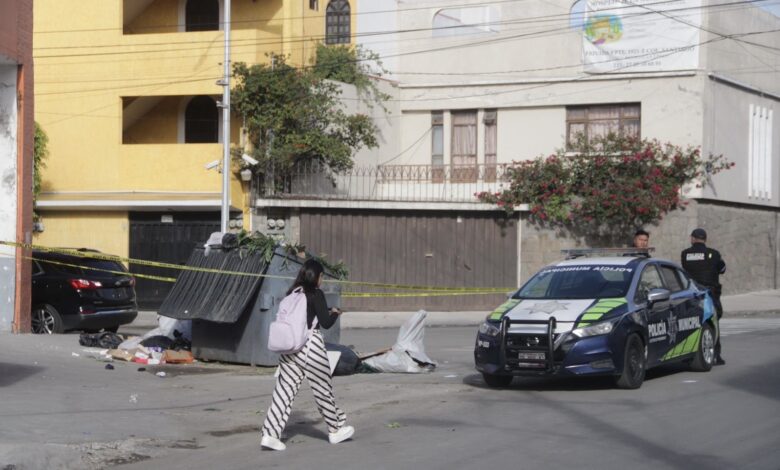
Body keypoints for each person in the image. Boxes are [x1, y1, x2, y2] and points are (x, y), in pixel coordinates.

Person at [260, 259, 354, 451]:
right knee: (322, 388)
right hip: (310, 346)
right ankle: (336, 429)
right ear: (317, 277)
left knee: (283, 392)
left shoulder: (292, 293)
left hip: (289, 348)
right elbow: (326, 323)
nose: (323, 281)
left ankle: (270, 434)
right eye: (322, 277)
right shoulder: (316, 294)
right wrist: (335, 313)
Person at [681, 228, 727, 365]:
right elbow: (723, 269)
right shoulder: (714, 254)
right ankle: (715, 355)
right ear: (705, 239)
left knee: (691, 322)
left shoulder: (685, 254)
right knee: (713, 322)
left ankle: (689, 353)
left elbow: (685, 270)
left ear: (693, 238)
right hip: (710, 293)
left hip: (692, 293)